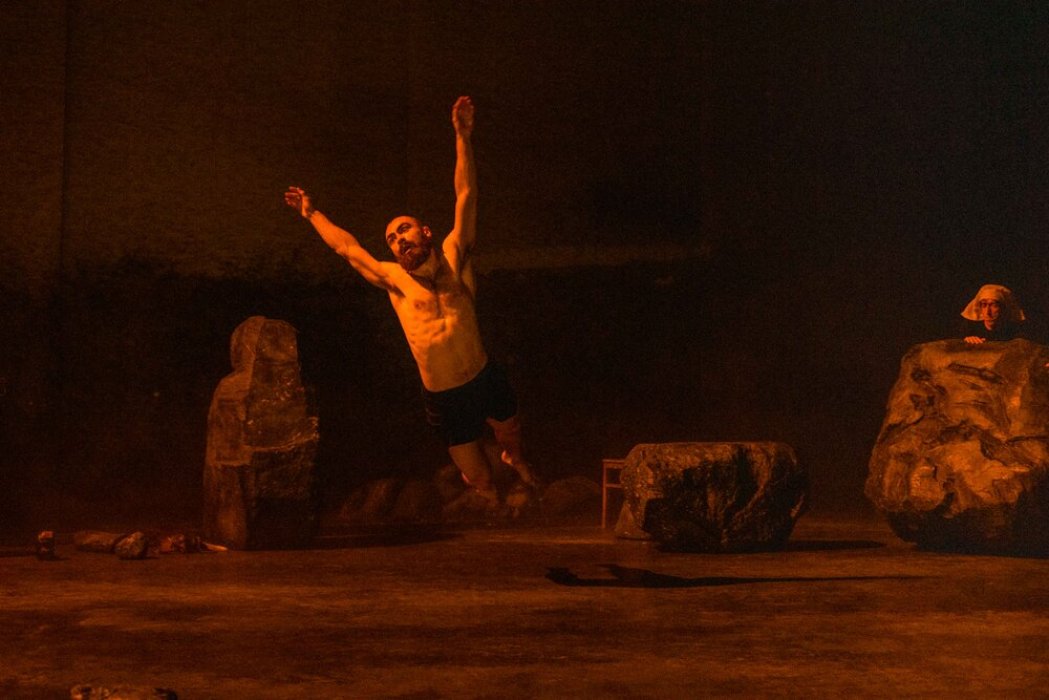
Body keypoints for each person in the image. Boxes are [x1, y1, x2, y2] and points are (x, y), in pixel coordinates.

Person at [283, 96, 536, 513]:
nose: (399, 240)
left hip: (483, 375)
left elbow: (466, 194)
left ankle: (515, 458)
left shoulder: (455, 255)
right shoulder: (394, 280)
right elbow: (347, 248)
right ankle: (487, 491)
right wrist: (311, 214)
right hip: (445, 396)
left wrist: (462, 137)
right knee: (480, 479)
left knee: (510, 434)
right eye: (392, 239)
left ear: (426, 232)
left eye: (404, 230)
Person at [958, 283, 1027, 344]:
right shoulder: (970, 329)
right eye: (984, 305)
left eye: (994, 305)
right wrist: (967, 340)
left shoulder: (1014, 332)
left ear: (1003, 308)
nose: (988, 312)